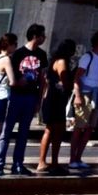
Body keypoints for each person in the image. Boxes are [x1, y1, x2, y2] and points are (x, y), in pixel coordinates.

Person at [0, 22, 47, 176]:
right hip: (15, 96)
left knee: (23, 132)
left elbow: (42, 78)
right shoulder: (18, 53)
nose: (44, 38)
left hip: (31, 96)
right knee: (6, 131)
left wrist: (39, 100)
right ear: (35, 36)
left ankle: (18, 163)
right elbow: (9, 76)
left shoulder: (41, 55)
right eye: (42, 35)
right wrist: (18, 81)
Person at [69, 30, 98, 170]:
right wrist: (78, 95)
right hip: (85, 94)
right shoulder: (87, 57)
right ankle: (72, 158)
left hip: (95, 94)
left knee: (89, 128)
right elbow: (77, 76)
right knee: (79, 127)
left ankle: (79, 157)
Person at [36, 39, 75, 175]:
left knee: (56, 130)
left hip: (56, 99)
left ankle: (53, 162)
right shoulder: (61, 62)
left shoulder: (55, 61)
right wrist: (72, 80)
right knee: (52, 130)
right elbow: (65, 81)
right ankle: (43, 161)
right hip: (55, 100)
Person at [0, 34, 17, 178]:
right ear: (9, 45)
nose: (16, 47)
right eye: (15, 44)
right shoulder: (6, 59)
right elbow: (12, 81)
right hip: (0, 99)